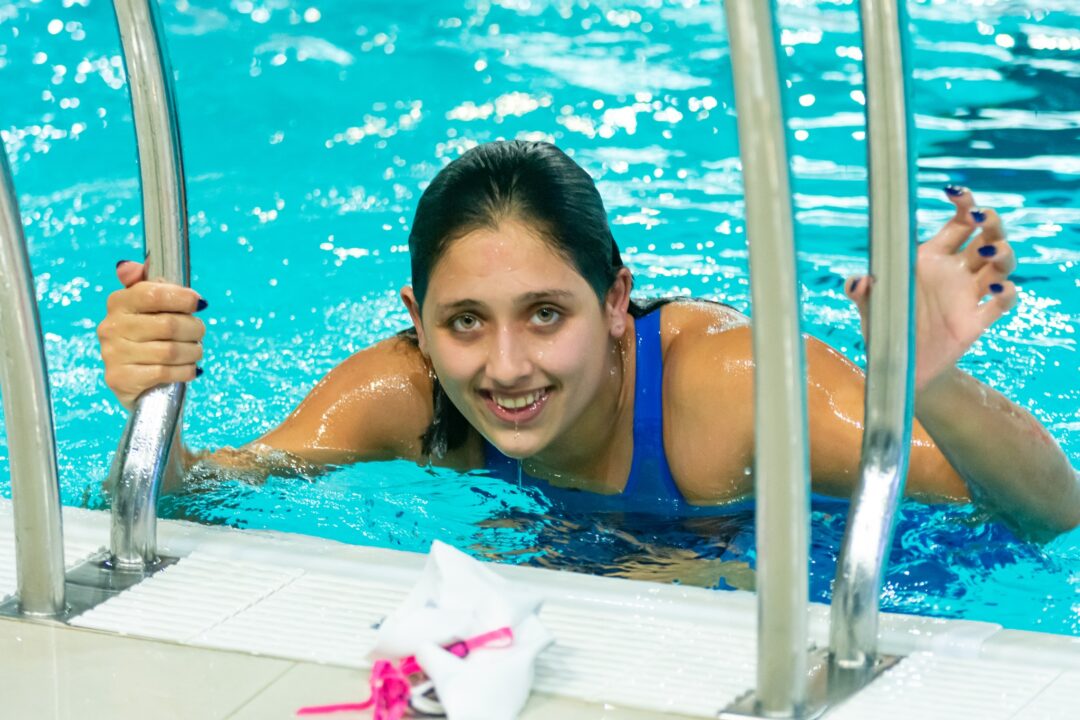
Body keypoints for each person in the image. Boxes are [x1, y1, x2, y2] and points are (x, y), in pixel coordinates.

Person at [96, 141, 1079, 538]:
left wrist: (932, 384)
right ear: (416, 321)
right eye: (464, 323)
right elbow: (206, 498)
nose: (507, 367)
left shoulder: (734, 385)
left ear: (616, 301)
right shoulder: (400, 395)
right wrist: (153, 417)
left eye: (547, 314)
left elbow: (1052, 517)